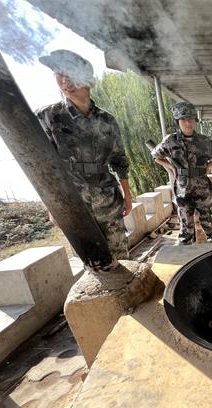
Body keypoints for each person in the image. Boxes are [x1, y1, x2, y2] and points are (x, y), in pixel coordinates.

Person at [35, 50, 132, 260]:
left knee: (120, 255)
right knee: (91, 260)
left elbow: (119, 159)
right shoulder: (49, 116)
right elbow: (41, 167)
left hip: (108, 199)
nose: (64, 80)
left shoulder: (108, 121)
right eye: (58, 74)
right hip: (74, 202)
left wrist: (127, 194)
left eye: (69, 72)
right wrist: (52, 206)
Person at [151, 102, 212, 244]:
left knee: (210, 228)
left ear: (195, 120)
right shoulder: (170, 141)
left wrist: (209, 166)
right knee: (186, 231)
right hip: (183, 191)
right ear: (177, 121)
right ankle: (187, 258)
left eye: (191, 119)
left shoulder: (204, 141)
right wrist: (170, 167)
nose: (188, 123)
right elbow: (155, 156)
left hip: (203, 190)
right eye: (183, 119)